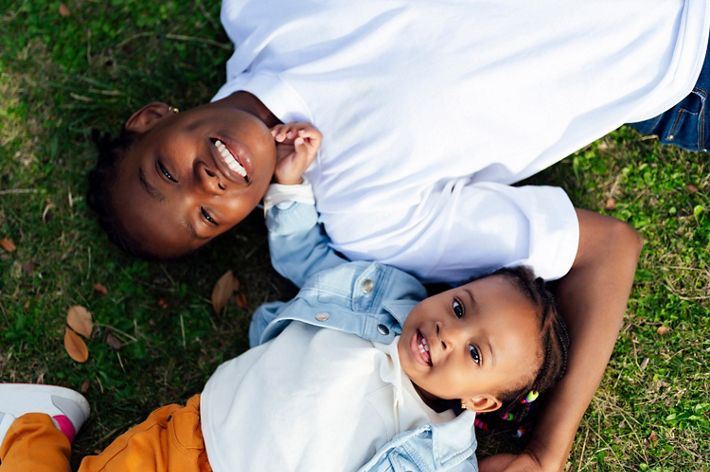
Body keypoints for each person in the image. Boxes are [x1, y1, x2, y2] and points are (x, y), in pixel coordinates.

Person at [86, 1, 707, 469]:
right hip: (680, 40)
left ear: (152, 119)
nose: (206, 184)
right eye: (206, 219)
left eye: (164, 171)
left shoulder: (255, 11)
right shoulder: (373, 224)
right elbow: (608, 250)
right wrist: (544, 451)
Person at [0, 124, 570, 471]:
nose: (450, 331)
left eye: (476, 354)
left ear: (483, 404)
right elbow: (310, 264)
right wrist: (291, 188)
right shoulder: (384, 296)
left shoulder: (442, 459)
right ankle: (35, 428)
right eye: (461, 306)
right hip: (188, 444)